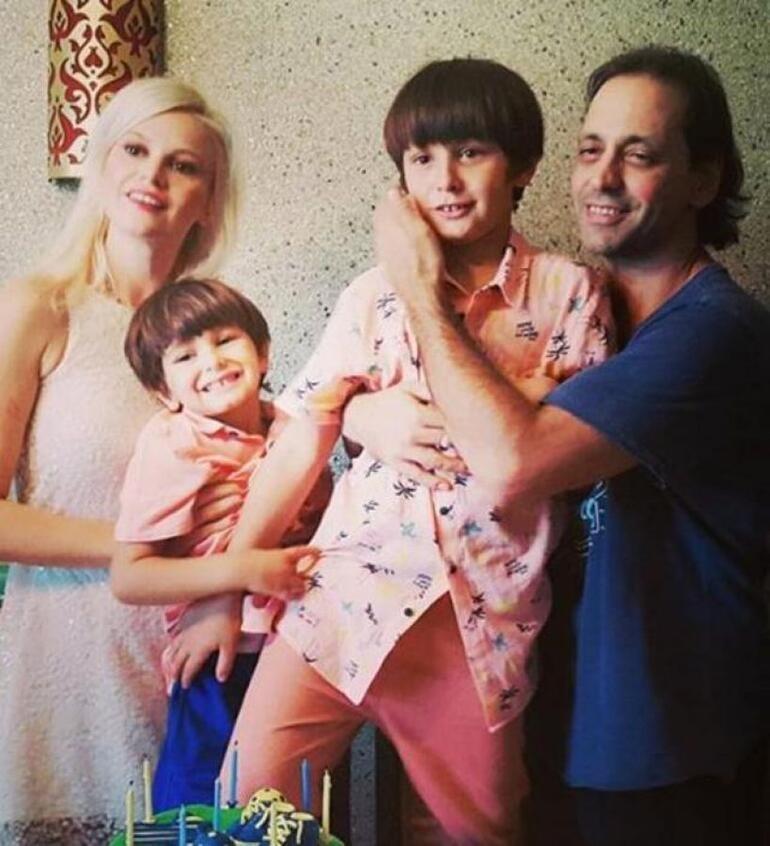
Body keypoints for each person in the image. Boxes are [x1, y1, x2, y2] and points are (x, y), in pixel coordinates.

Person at [362, 46, 770, 846]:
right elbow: (447, 434)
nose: (602, 179)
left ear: (703, 179)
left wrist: (417, 290)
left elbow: (511, 463)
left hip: (668, 758)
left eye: (639, 155)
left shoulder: (711, 333)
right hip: (560, 725)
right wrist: (359, 412)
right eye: (590, 150)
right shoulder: (576, 311)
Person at [216, 58, 613, 845]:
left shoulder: (569, 292)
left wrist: (515, 400)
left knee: (474, 831)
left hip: (479, 629)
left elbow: (570, 444)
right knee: (245, 814)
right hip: (337, 605)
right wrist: (224, 583)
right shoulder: (372, 295)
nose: (446, 179)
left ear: (523, 166)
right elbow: (302, 438)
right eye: (422, 158)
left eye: (471, 152)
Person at [0, 77, 241, 843]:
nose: (153, 176)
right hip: (70, 669)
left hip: (191, 668)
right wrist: (142, 548)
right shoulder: (39, 308)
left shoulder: (218, 337)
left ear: (208, 200)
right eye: (134, 150)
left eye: (184, 165)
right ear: (101, 165)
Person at [111, 277, 329, 811]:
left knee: (286, 799)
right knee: (200, 796)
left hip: (297, 646)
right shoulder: (174, 444)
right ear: (164, 392)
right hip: (215, 656)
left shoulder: (296, 429)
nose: (211, 361)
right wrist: (243, 571)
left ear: (263, 354)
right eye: (185, 356)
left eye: (225, 339)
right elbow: (131, 576)